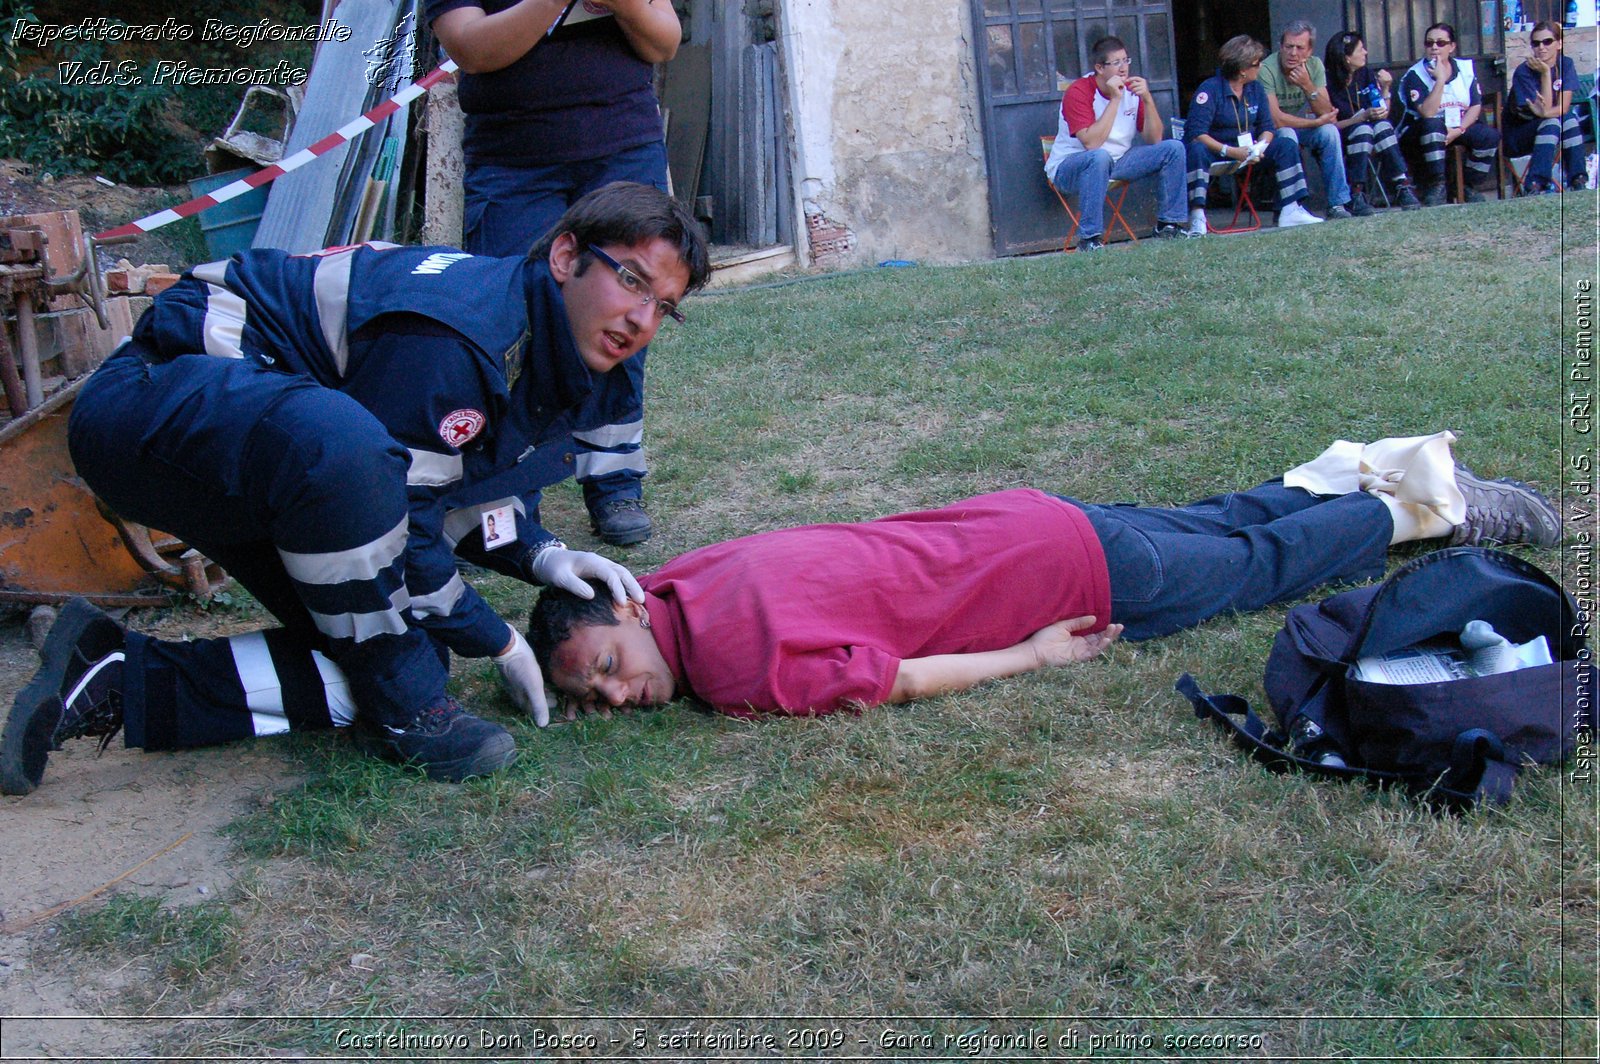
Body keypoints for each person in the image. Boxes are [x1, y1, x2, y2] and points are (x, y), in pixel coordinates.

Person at [0, 183, 710, 794]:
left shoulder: (539, 341)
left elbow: (445, 485)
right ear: (565, 256)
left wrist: (543, 554)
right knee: (348, 453)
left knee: (399, 655)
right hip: (151, 407)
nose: (642, 320)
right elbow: (399, 510)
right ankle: (410, 715)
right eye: (634, 281)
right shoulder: (464, 335)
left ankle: (118, 675)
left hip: (262, 450)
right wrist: (495, 640)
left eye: (664, 306)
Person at [526, 433, 1561, 718]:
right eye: (591, 694)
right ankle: (1366, 470)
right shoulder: (688, 576)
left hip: (1069, 585)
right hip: (1024, 520)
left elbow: (896, 678)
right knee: (1223, 521)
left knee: (1252, 567)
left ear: (626, 605)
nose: (615, 693)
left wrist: (1028, 653)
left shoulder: (739, 673)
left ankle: (1438, 502)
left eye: (605, 664)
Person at [426, 0, 685, 548]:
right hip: (513, 160)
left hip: (622, 144)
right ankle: (506, 496)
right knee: (511, 322)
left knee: (626, 310)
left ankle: (613, 480)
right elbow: (471, 49)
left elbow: (663, 41)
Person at [1044, 35, 1189, 250]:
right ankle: (1090, 239)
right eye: (1116, 63)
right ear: (1099, 68)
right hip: (1071, 167)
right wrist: (1115, 99)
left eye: (1126, 61)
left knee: (1173, 148)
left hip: (1119, 161)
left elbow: (1154, 139)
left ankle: (1168, 225)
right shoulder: (1079, 91)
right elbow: (1092, 144)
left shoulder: (1133, 91)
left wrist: (1147, 99)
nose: (1123, 69)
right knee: (1099, 156)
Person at [1183, 34, 1324, 234]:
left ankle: (1291, 209)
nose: (1260, 67)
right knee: (1196, 149)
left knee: (1286, 144)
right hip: (1218, 150)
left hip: (1249, 150)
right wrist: (1231, 151)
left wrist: (1260, 146)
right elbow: (1197, 134)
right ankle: (1197, 215)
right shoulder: (1210, 89)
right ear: (1242, 70)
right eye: (1257, 64)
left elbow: (1267, 126)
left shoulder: (1255, 88)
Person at [1257, 21, 1371, 219]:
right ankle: (1291, 206)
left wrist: (1307, 85)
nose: (1293, 53)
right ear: (1280, 47)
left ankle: (1337, 204)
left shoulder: (1315, 65)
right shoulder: (1266, 69)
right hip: (1267, 130)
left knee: (1330, 132)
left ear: (1309, 51)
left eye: (1299, 48)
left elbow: (1327, 113)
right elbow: (1275, 119)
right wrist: (1315, 123)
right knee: (1287, 134)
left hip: (1299, 124)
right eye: (1288, 47)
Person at [1396, 22, 1501, 206]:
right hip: (1422, 131)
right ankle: (1437, 185)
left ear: (1452, 47)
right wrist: (1440, 80)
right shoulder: (1416, 74)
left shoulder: (1465, 69)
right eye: (1429, 43)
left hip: (1456, 126)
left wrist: (1459, 129)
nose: (1434, 47)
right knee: (1433, 124)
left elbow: (1475, 106)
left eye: (1440, 43)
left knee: (1489, 136)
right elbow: (1427, 112)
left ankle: (1466, 185)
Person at [1323, 30, 1423, 211]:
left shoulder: (1365, 74)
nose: (1366, 53)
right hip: (1342, 136)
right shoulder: (1328, 82)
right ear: (1346, 57)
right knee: (1364, 130)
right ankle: (1356, 192)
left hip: (1372, 132)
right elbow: (1329, 125)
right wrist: (1360, 118)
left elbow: (1383, 112)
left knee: (1383, 125)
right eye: (1360, 49)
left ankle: (1402, 185)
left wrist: (1385, 88)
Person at [1503, 20, 1590, 195]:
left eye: (1547, 41)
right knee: (1551, 123)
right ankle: (1535, 184)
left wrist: (1546, 112)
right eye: (1536, 43)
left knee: (1569, 120)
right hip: (1518, 135)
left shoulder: (1566, 64)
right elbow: (1547, 110)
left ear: (1559, 44)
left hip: (1550, 129)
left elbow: (1562, 108)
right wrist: (1544, 73)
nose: (1541, 47)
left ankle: (1578, 180)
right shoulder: (1523, 72)